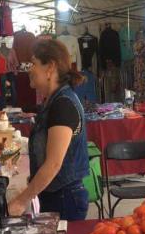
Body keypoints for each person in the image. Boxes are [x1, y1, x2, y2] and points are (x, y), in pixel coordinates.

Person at [7, 39, 89, 220]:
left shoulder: (63, 104)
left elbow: (53, 164)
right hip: (56, 196)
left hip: (65, 200)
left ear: (50, 67)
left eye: (34, 63)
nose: (29, 69)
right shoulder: (54, 101)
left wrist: (22, 200)